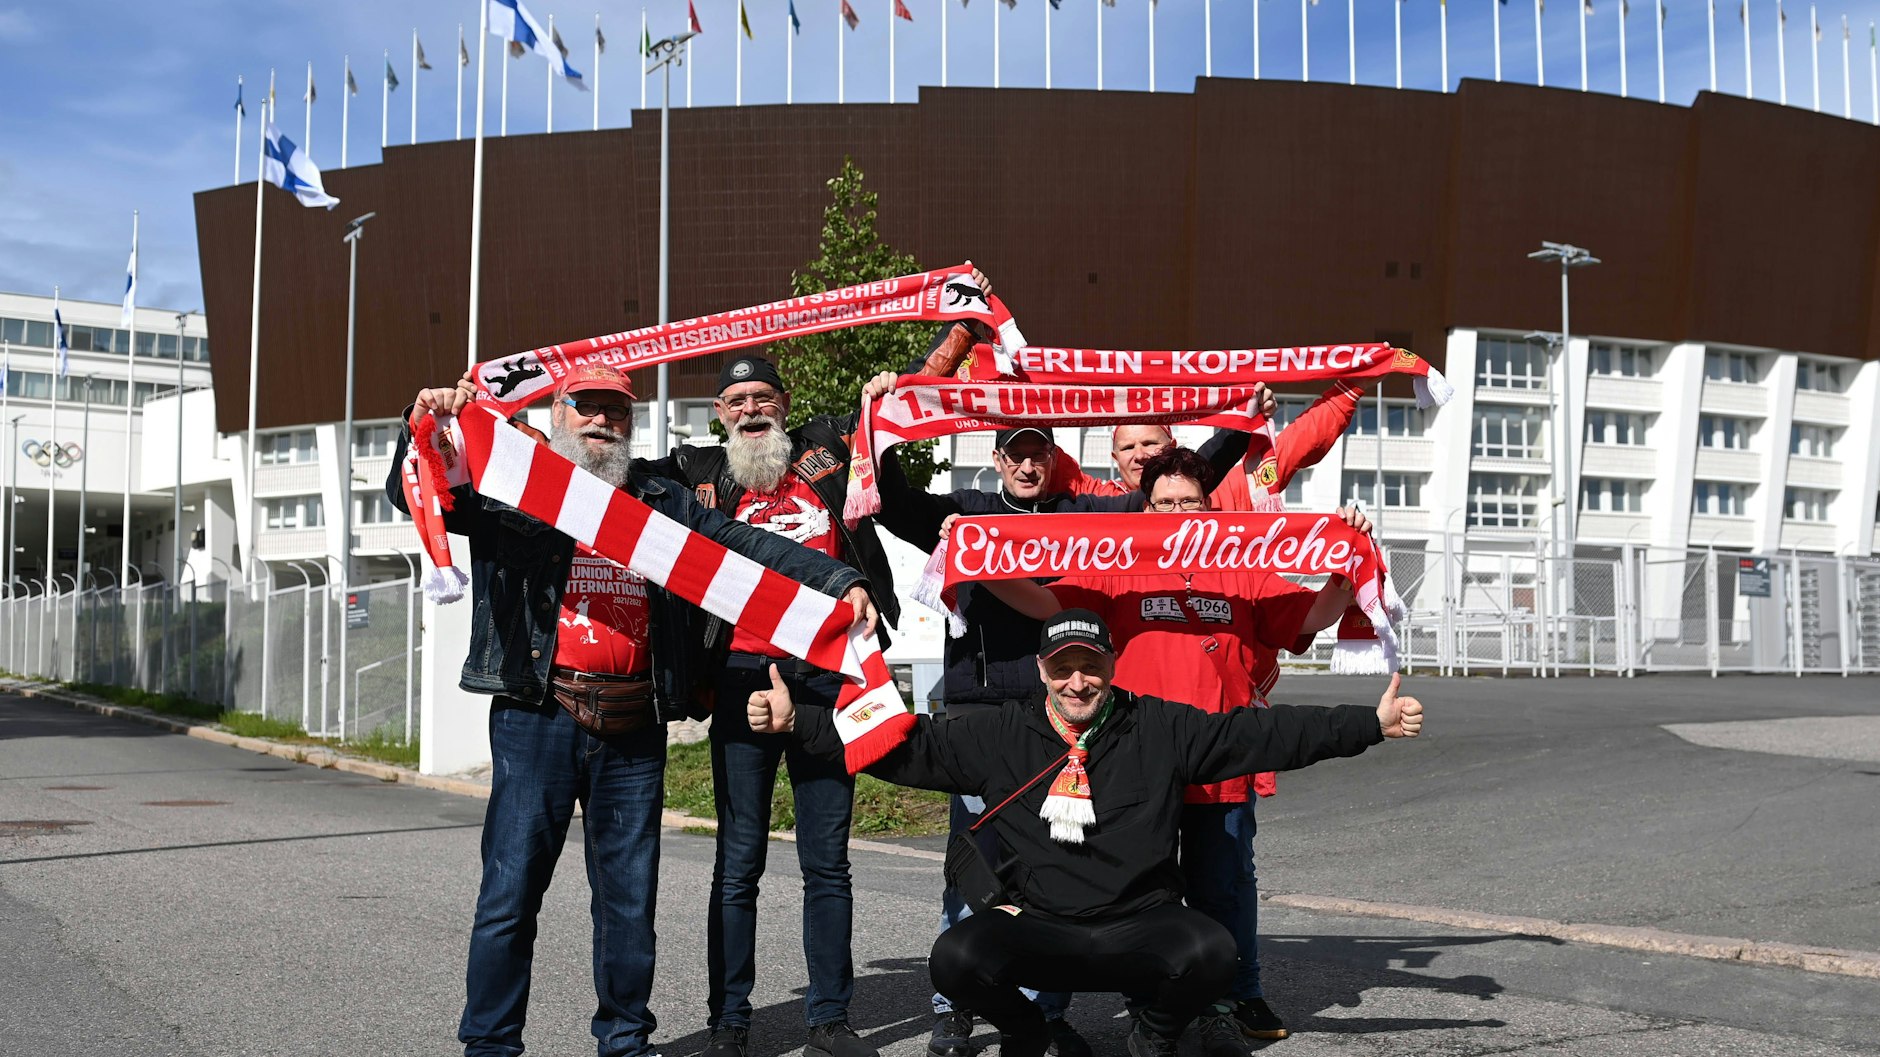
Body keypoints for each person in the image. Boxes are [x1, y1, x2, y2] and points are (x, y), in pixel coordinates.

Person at [388, 364, 876, 1057]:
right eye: (584, 407)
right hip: (540, 717)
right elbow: (417, 493)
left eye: (614, 411)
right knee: (508, 895)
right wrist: (427, 417)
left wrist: (837, 576)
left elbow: (742, 540)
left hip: (634, 726)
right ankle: (490, 1046)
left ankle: (624, 1041)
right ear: (558, 413)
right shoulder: (515, 482)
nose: (599, 422)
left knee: (628, 908)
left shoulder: (657, 498)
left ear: (630, 422)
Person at [745, 609, 1424, 1057]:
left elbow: (1262, 734)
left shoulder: (1159, 725)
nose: (1078, 680)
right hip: (1043, 925)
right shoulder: (1003, 732)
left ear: (1112, 662)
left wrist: (1371, 722)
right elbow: (905, 745)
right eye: (1063, 666)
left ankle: (1153, 1036)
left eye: (1091, 664)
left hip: (1140, 924)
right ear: (1042, 669)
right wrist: (799, 721)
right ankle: (1035, 1030)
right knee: (954, 956)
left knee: (1214, 950)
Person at [862, 414, 1261, 1057]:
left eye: (1038, 455)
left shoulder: (1088, 515)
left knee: (1072, 866)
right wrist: (884, 423)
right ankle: (956, 1009)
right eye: (1014, 455)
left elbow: (1181, 489)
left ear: (1054, 460)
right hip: (983, 712)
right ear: (995, 459)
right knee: (977, 866)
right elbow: (888, 500)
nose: (1026, 466)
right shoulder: (966, 509)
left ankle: (1052, 1012)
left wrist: (1242, 418)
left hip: (1076, 710)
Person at [982, 447, 1372, 1053]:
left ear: (1209, 506)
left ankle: (1227, 1000)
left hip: (1221, 759)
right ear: (1147, 507)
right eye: (1163, 503)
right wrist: (982, 561)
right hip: (1136, 765)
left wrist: (1346, 565)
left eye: (1188, 501)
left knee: (1225, 889)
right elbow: (1043, 603)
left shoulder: (1242, 565)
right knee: (1130, 894)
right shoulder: (1121, 561)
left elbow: (1311, 614)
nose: (1175, 512)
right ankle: (1137, 1004)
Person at [638, 353, 900, 1057]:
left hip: (827, 678)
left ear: (784, 404)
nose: (750, 410)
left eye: (762, 397)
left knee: (828, 860)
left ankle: (829, 1020)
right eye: (735, 400)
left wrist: (889, 382)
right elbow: (607, 468)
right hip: (739, 676)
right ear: (720, 415)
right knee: (738, 861)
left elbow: (901, 404)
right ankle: (729, 1022)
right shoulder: (697, 472)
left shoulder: (827, 454)